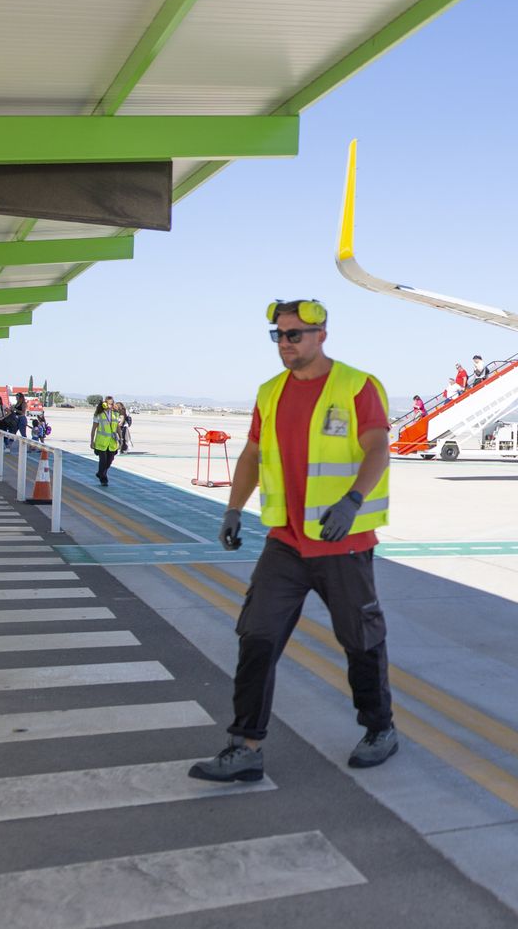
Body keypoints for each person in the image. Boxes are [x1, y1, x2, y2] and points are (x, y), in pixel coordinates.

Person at [191, 298, 395, 783]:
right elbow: (252, 454)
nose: (285, 343)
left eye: (294, 334)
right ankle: (245, 747)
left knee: (359, 640)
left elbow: (378, 447)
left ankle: (380, 728)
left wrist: (352, 501)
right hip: (285, 542)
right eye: (278, 335)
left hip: (341, 541)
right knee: (256, 636)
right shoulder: (269, 392)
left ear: (321, 334)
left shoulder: (356, 386)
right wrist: (233, 509)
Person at [90, 398, 121, 484]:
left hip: (112, 443)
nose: (111, 405)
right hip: (101, 442)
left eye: (112, 404)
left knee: (109, 461)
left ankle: (101, 473)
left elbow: (117, 427)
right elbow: (93, 429)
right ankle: (103, 478)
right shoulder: (99, 415)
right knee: (103, 461)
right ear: (105, 404)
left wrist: (121, 438)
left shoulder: (115, 414)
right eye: (109, 404)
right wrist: (92, 441)